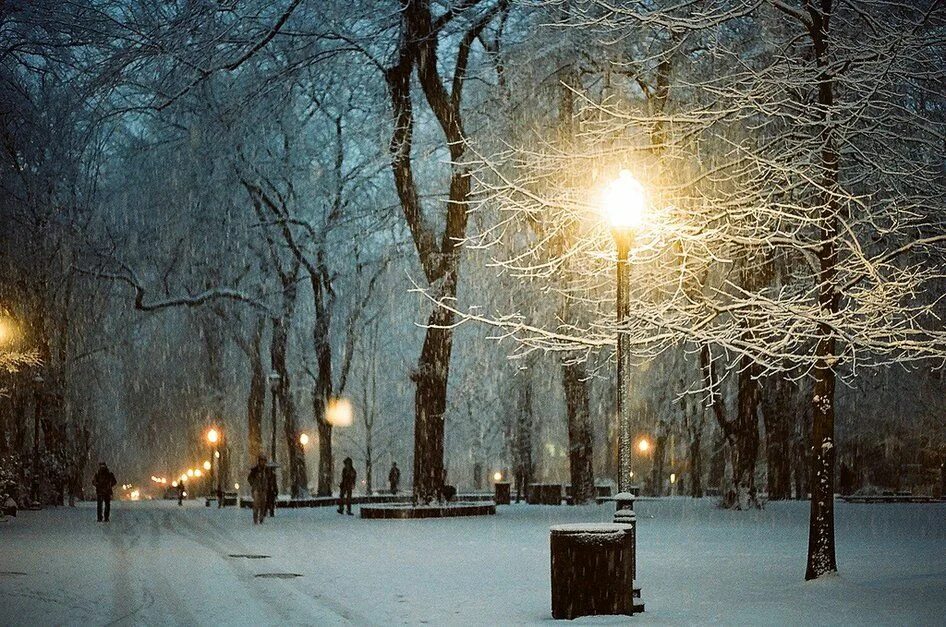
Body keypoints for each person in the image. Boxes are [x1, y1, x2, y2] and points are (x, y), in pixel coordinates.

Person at [248, 455, 268, 525]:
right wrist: (254, 484)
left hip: (263, 489)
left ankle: (261, 518)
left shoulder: (266, 470)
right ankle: (255, 518)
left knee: (263, 504)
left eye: (264, 461)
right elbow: (249, 479)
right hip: (256, 489)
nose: (263, 462)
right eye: (261, 461)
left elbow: (269, 479)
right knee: (256, 504)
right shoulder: (255, 470)